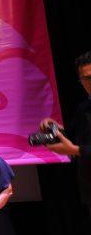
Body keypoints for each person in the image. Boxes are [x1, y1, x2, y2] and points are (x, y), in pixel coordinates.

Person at [41, 50, 91, 216]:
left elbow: (76, 147)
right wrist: (56, 128)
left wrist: (75, 150)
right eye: (86, 78)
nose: (89, 83)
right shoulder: (84, 108)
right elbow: (74, 135)